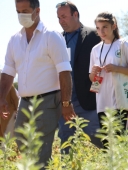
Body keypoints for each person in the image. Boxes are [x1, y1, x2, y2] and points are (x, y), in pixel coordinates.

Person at [0, 0, 75, 168]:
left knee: (42, 148)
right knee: (21, 139)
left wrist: (66, 103)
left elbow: (64, 71)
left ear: (37, 10)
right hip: (25, 102)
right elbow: (8, 72)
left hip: (47, 101)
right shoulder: (14, 40)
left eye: (25, 10)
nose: (21, 15)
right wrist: (1, 98)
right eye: (18, 11)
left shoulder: (51, 36)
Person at [56, 1, 102, 153]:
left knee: (102, 140)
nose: (61, 21)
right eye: (59, 18)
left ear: (75, 14)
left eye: (64, 16)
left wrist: (97, 92)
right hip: (66, 103)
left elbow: (101, 65)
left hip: (88, 101)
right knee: (65, 144)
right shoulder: (57, 39)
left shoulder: (94, 35)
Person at [89, 12, 128, 133]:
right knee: (106, 142)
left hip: (119, 100)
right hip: (102, 101)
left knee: (119, 139)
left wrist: (116, 68)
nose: (101, 31)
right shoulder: (95, 49)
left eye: (105, 27)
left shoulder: (124, 45)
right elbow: (91, 78)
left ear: (114, 26)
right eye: (98, 28)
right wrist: (94, 72)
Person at [0, 70, 19, 139]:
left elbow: (16, 99)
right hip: (2, 117)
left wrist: (18, 113)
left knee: (8, 136)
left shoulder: (9, 87)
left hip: (10, 115)